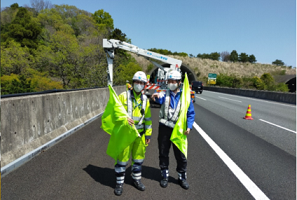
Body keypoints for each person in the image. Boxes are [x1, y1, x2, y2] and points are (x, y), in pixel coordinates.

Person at [151, 70, 195, 190]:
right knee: (163, 152)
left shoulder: (185, 97)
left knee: (181, 154)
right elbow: (156, 98)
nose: (171, 83)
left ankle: (182, 177)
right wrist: (154, 96)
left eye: (173, 81)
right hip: (164, 128)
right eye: (169, 81)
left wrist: (189, 127)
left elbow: (190, 113)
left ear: (179, 83)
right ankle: (164, 175)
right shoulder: (164, 94)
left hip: (179, 130)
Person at [114, 71, 152, 196]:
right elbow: (115, 112)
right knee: (122, 160)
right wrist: (124, 119)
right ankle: (119, 183)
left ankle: (136, 179)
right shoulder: (123, 96)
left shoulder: (145, 100)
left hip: (140, 135)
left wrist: (148, 134)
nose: (139, 85)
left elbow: (148, 118)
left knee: (138, 159)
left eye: (142, 83)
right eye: (137, 82)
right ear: (133, 82)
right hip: (126, 134)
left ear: (144, 85)